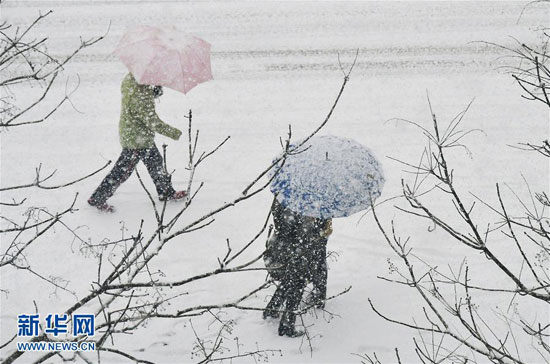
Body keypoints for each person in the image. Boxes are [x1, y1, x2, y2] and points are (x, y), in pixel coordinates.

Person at [88, 73, 187, 212]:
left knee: (156, 163)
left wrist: (152, 92)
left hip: (134, 133)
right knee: (122, 171)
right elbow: (152, 121)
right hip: (137, 139)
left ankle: (166, 192)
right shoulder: (141, 95)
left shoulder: (131, 79)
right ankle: (98, 198)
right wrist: (174, 133)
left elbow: (136, 99)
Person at [263, 200, 332, 337]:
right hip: (299, 248)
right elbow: (302, 232)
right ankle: (287, 325)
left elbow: (281, 220)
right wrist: (321, 232)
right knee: (298, 281)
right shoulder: (307, 202)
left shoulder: (286, 193)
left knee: (291, 277)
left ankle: (272, 309)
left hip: (285, 246)